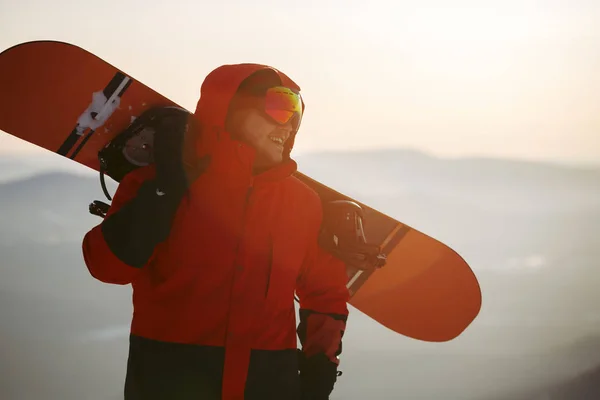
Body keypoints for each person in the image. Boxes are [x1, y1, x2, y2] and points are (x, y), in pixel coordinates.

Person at [81, 63, 350, 400]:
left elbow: (325, 291)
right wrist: (162, 196)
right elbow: (106, 267)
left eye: (297, 113)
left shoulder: (302, 204)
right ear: (231, 111)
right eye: (280, 108)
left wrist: (319, 367)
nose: (290, 125)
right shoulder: (156, 184)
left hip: (267, 386)